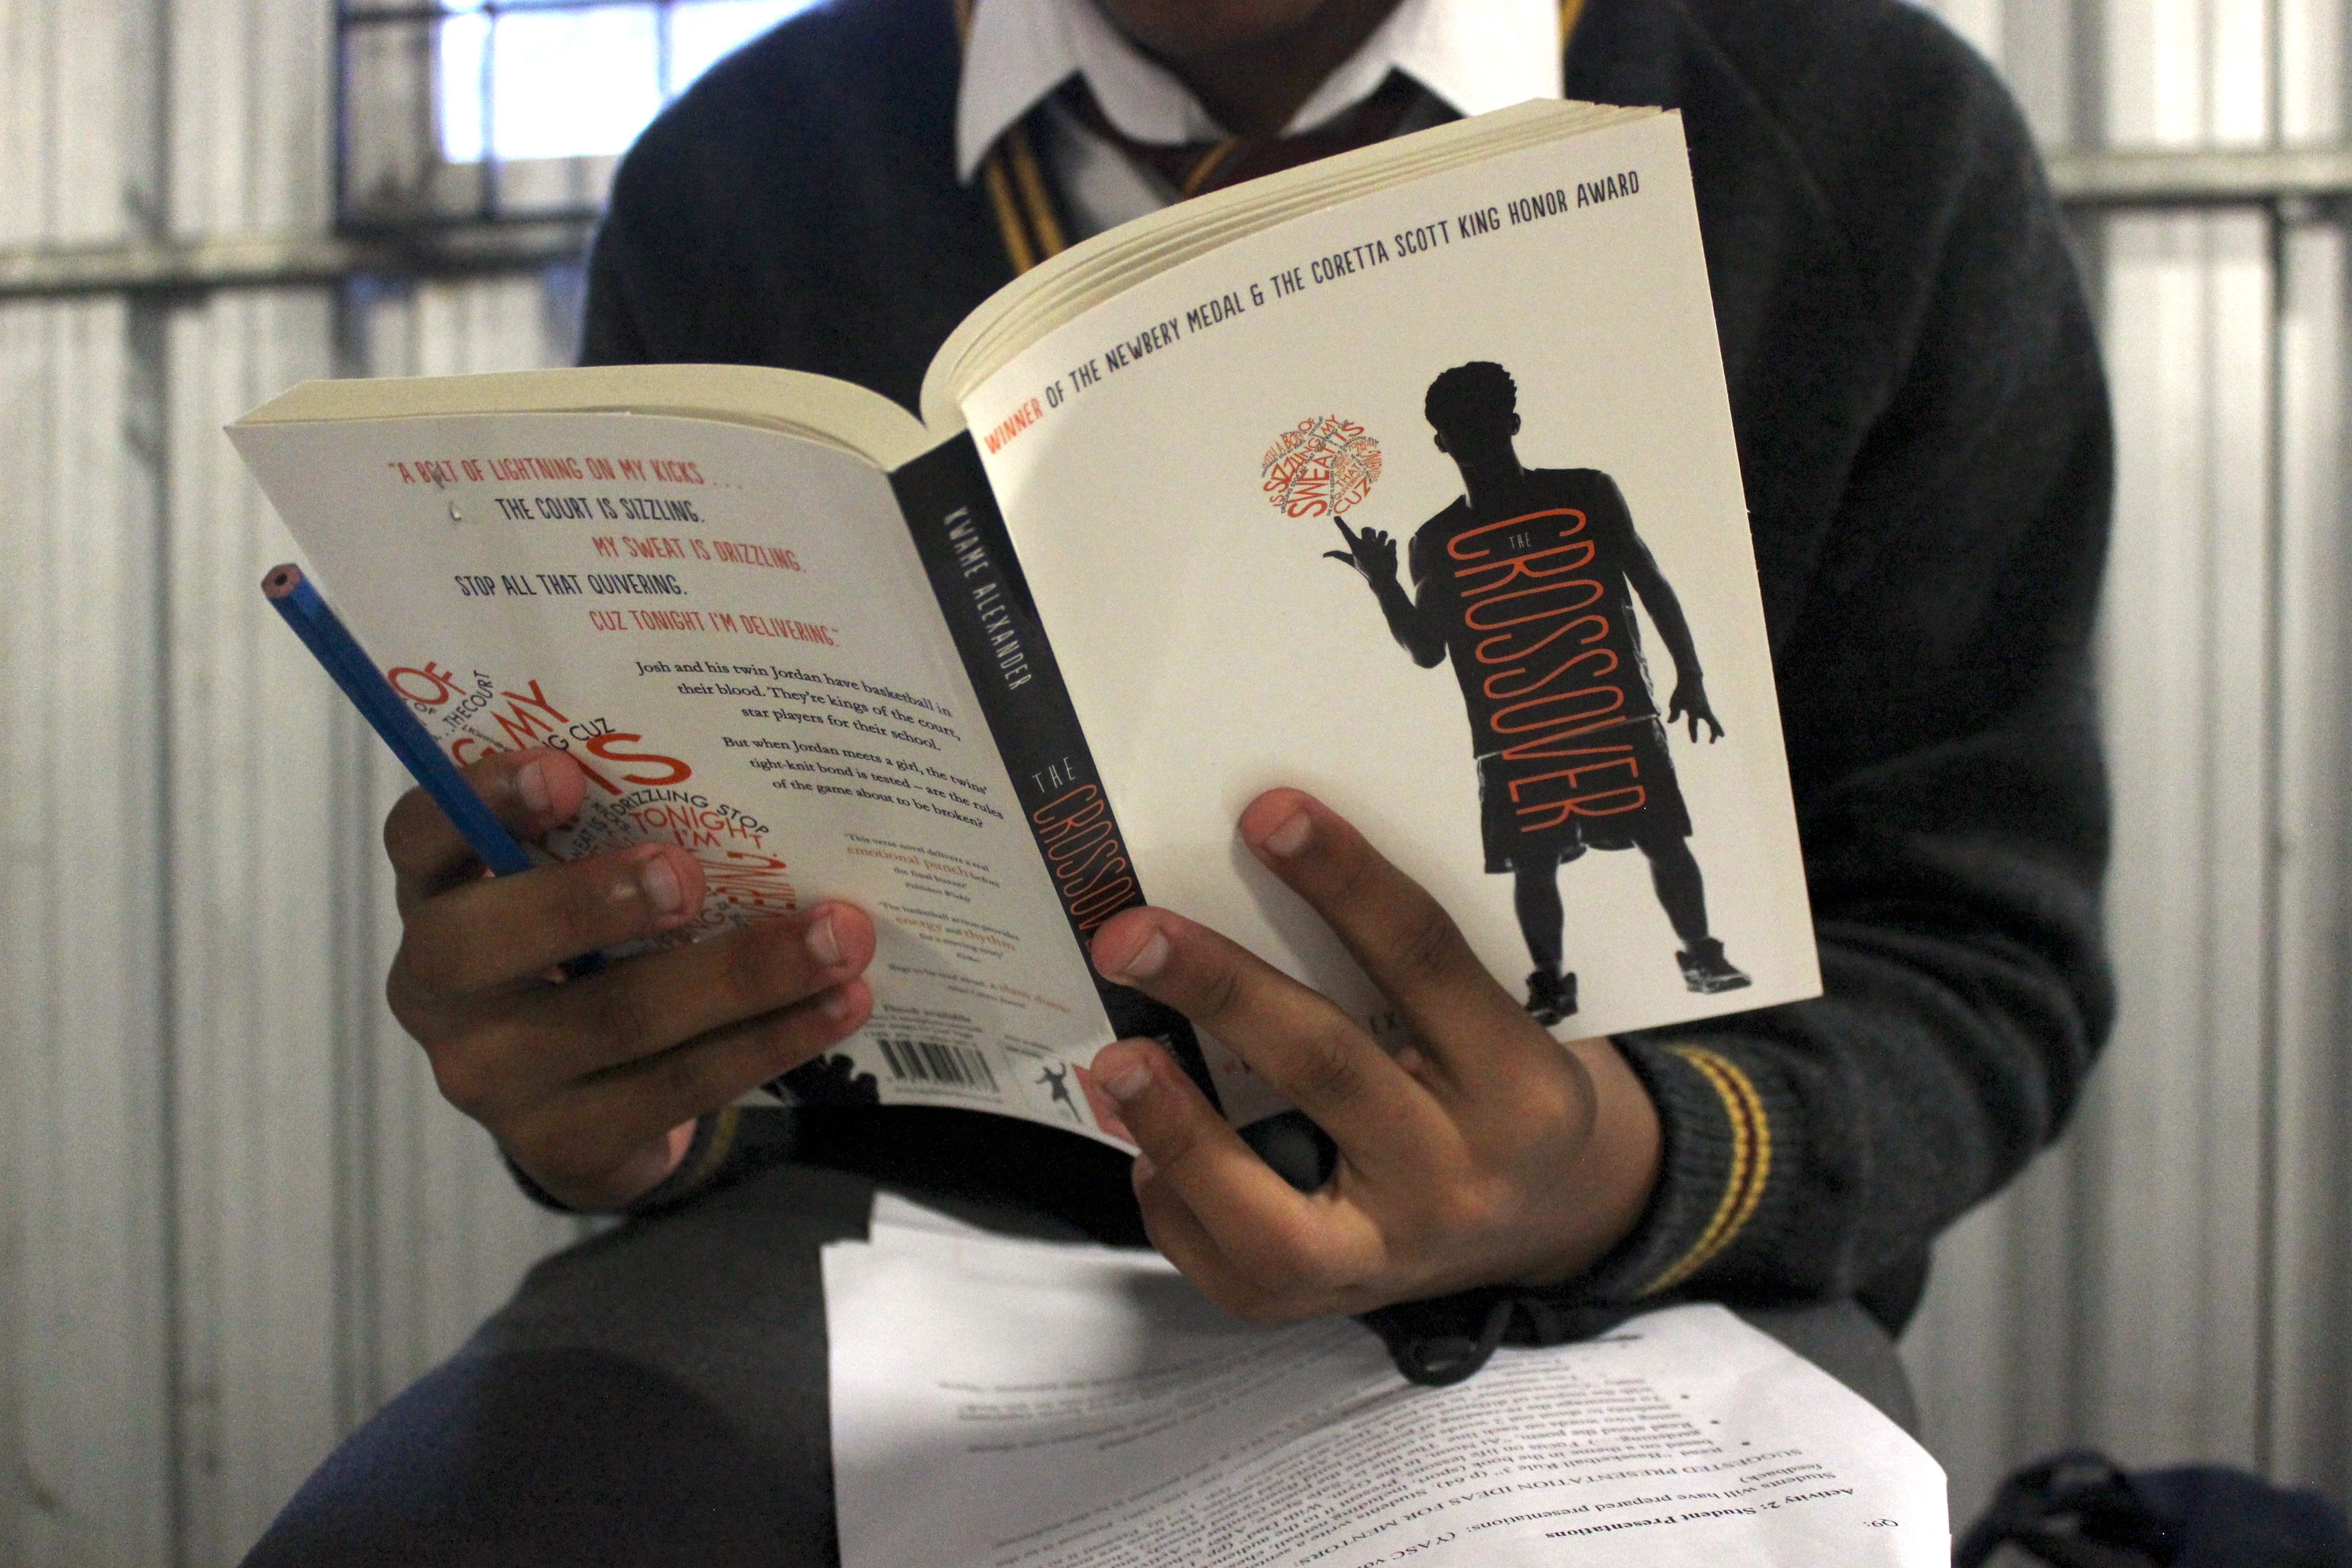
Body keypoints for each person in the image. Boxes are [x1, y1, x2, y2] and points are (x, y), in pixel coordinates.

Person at [245, 0, 2114, 1559]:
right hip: (909, 1237)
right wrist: (631, 1068)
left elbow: (1975, 957)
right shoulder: (747, 178)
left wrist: (1615, 1163)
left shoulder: (1862, 140)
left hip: (1628, 1274)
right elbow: (736, 962)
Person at [1325, 358, 1749, 1024]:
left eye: (1482, 426)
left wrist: (1690, 676)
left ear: (1511, 424)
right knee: (1535, 863)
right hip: (1516, 731)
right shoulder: (1436, 542)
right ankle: (1552, 981)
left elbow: (1648, 579)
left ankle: (1701, 955)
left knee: (1662, 840)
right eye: (1460, 431)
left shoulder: (1585, 493)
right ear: (1442, 442)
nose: (1473, 441)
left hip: (1612, 708)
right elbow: (1429, 650)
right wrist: (1382, 583)